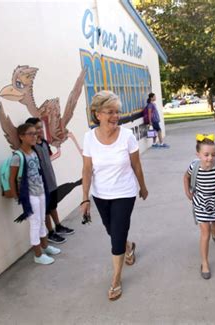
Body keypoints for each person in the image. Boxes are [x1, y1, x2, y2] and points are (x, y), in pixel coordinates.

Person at [81, 91, 148, 301]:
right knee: (111, 230)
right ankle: (128, 246)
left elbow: (136, 164)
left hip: (125, 193)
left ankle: (116, 279)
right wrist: (85, 198)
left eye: (117, 112)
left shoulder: (127, 136)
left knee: (117, 234)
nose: (115, 116)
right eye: (110, 112)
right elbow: (86, 169)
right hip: (100, 194)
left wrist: (142, 187)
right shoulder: (89, 137)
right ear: (97, 114)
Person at [183, 134, 215, 280]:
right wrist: (187, 192)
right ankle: (204, 263)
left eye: (213, 154)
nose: (210, 158)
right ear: (198, 154)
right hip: (200, 203)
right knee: (204, 232)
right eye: (206, 155)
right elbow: (185, 177)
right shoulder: (194, 166)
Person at [9, 123, 61, 265]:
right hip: (30, 195)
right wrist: (17, 197)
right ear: (21, 137)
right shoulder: (18, 156)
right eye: (30, 134)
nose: (34, 136)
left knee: (42, 220)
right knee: (35, 223)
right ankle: (38, 255)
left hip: (41, 192)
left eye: (35, 133)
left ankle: (45, 246)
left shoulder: (34, 152)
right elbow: (11, 178)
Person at [25, 117, 75, 245]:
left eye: (40, 127)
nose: (40, 130)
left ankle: (58, 226)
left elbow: (49, 158)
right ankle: (51, 232)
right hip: (42, 184)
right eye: (36, 128)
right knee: (46, 210)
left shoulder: (45, 143)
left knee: (53, 206)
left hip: (51, 181)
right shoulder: (32, 147)